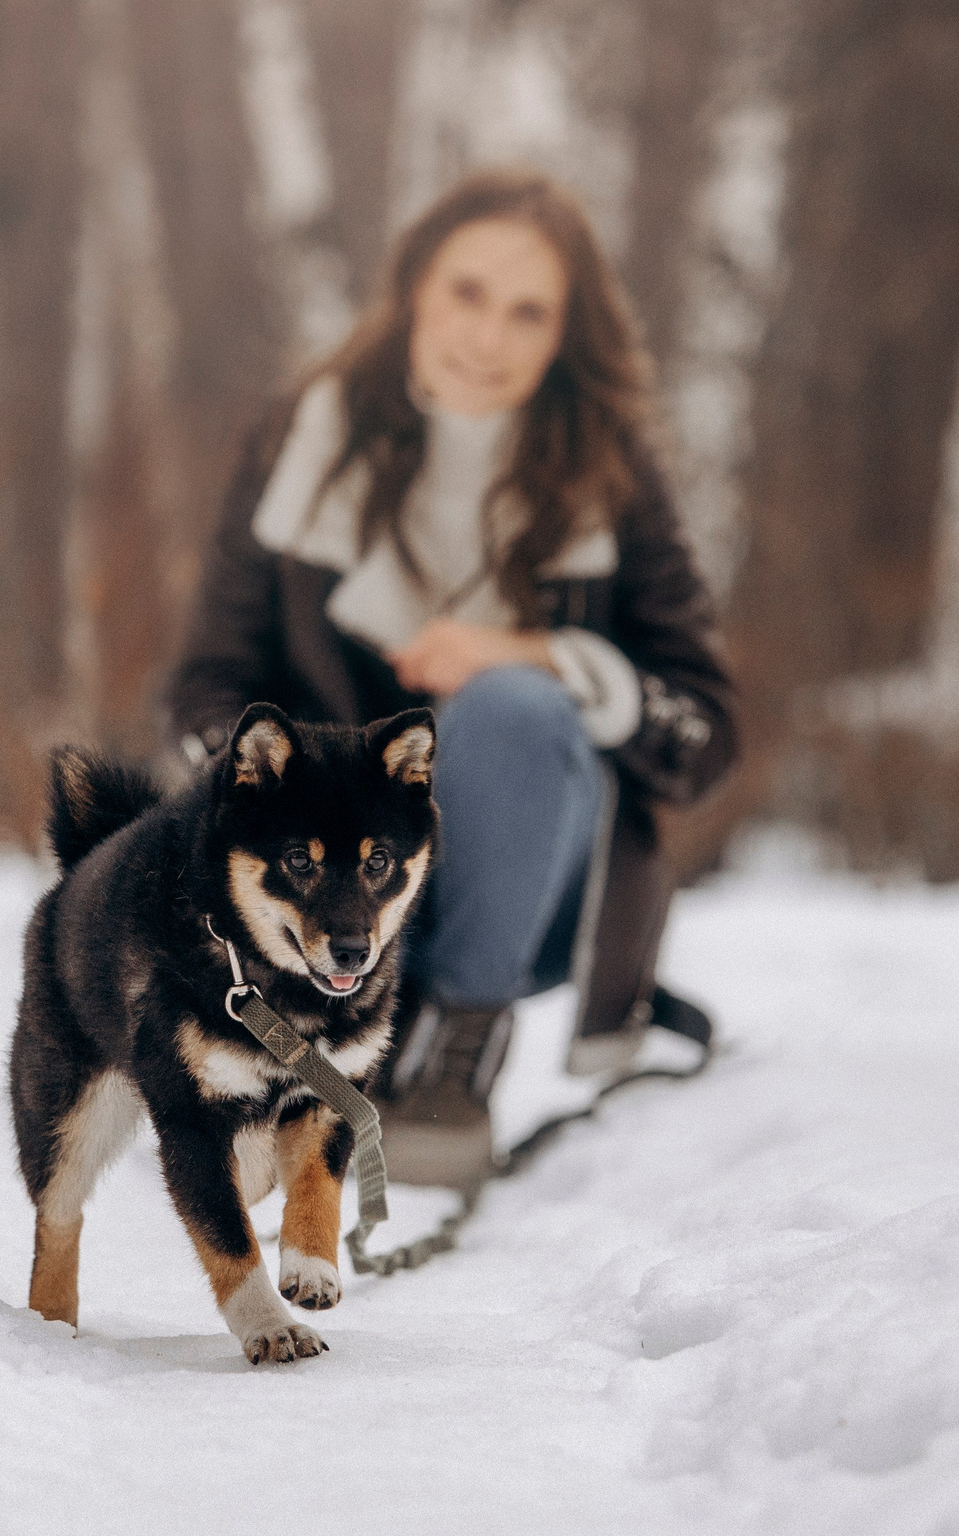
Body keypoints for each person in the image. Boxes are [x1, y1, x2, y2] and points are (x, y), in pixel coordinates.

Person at [165, 167, 738, 1187]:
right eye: (466, 293)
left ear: (565, 335)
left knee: (513, 707)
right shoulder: (304, 436)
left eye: (528, 313)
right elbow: (211, 678)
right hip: (316, 889)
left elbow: (701, 730)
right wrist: (245, 803)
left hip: (532, 901)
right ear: (415, 285)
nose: (487, 338)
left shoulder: (611, 471)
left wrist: (533, 656)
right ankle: (293, 1039)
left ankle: (447, 1060)